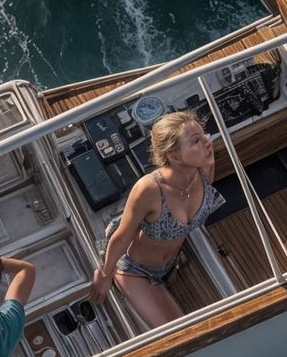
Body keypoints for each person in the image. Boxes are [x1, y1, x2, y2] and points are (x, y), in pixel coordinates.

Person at [90, 111, 223, 328]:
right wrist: (105, 275)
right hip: (136, 271)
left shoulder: (204, 168)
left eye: (204, 135)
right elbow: (123, 236)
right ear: (174, 156)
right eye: (196, 141)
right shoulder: (149, 189)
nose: (207, 142)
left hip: (171, 262)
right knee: (183, 334)